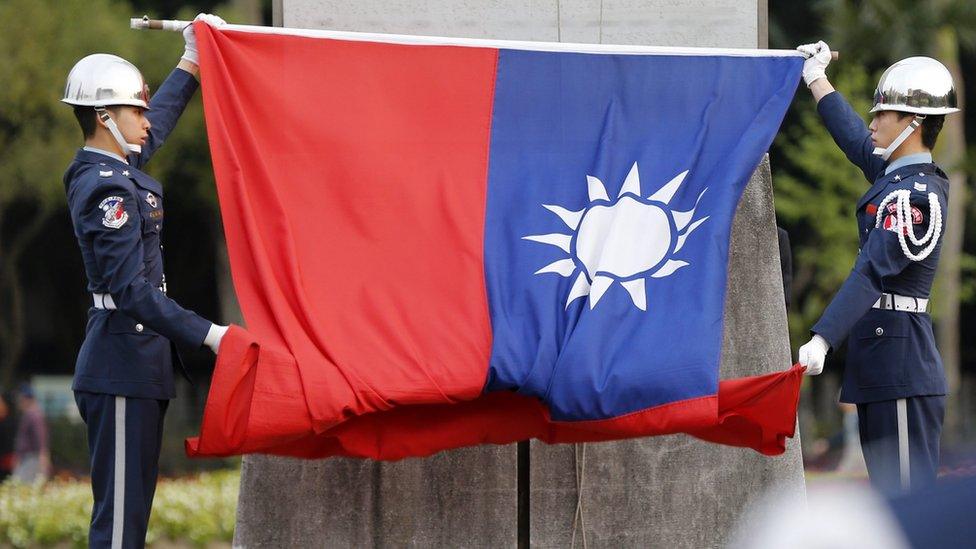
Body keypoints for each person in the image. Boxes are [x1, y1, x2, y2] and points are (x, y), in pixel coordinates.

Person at [61, 13, 229, 548]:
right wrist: (211, 335)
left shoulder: (116, 168)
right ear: (105, 117)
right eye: (135, 108)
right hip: (120, 366)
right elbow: (131, 291)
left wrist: (193, 60)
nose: (145, 118)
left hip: (138, 366)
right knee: (118, 531)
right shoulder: (102, 188)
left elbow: (160, 119)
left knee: (131, 524)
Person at [794, 41, 958, 494]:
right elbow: (852, 136)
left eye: (883, 114)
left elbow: (872, 270)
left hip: (901, 366)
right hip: (882, 365)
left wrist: (824, 335)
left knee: (908, 511)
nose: (872, 122)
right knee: (891, 510)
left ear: (913, 124)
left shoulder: (916, 196)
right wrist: (816, 78)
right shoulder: (896, 179)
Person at [11, 383, 51, 483]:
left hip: (32, 458)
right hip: (28, 458)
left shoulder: (34, 415)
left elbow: (41, 436)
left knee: (22, 485)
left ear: (25, 399)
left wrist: (43, 456)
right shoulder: (31, 414)